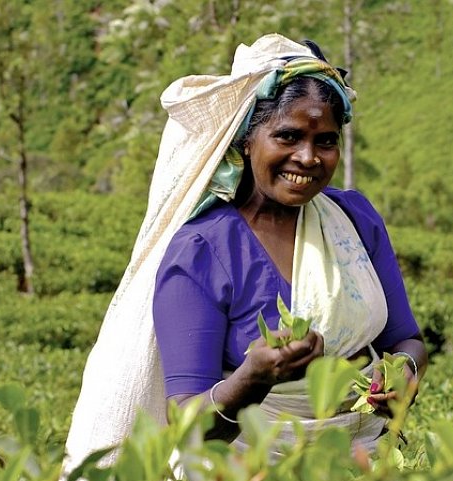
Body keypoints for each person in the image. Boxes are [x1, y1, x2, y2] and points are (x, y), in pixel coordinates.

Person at [63, 33, 427, 471]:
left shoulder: (354, 219)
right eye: (288, 136)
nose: (308, 157)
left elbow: (406, 337)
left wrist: (404, 371)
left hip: (363, 459)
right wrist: (253, 378)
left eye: (326, 141)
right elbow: (188, 423)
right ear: (247, 140)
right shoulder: (204, 250)